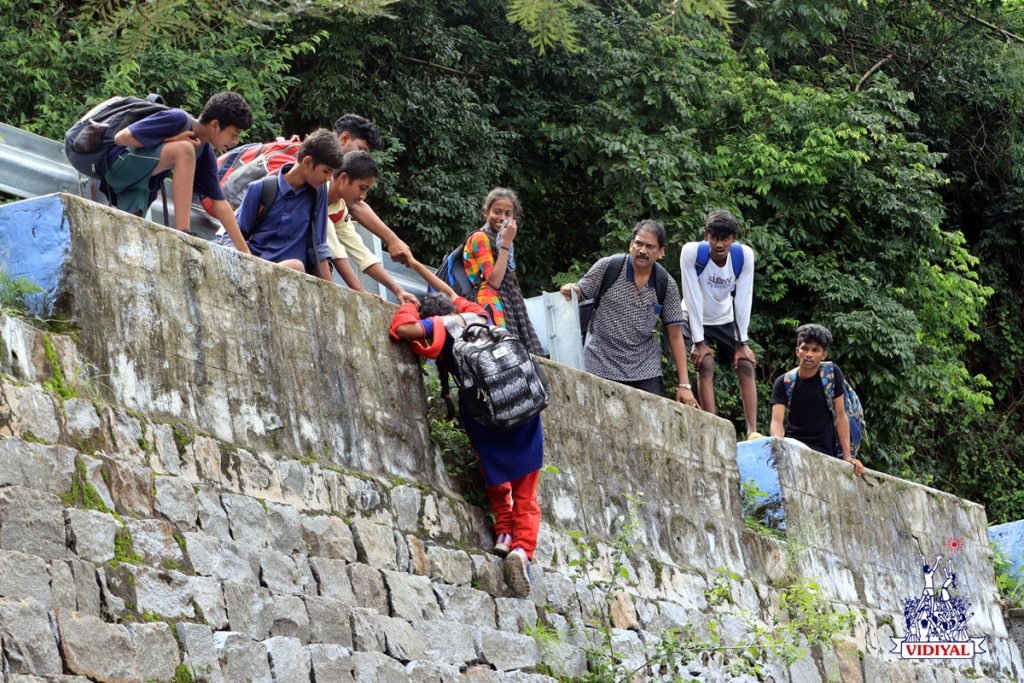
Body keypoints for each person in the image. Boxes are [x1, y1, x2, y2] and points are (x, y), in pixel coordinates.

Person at [390, 256, 543, 598]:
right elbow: (449, 292)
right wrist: (414, 264)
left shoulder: (439, 328)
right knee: (527, 490)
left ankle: (504, 535)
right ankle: (522, 550)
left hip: (485, 414)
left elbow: (403, 330)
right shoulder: (478, 313)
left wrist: (408, 305)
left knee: (496, 477)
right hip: (524, 402)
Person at [560, 220, 699, 407]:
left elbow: (675, 335)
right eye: (638, 243)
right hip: (600, 359)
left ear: (660, 252)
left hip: (644, 367)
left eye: (650, 246)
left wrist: (685, 384)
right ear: (630, 244)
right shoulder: (608, 267)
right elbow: (580, 293)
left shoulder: (666, 284)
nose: (643, 251)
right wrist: (571, 289)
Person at [106, 92, 253, 250]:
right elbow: (121, 138)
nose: (235, 142)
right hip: (118, 166)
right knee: (185, 149)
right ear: (215, 125)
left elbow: (220, 203)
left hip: (137, 188)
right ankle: (183, 233)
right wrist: (172, 140)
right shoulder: (178, 118)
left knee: (128, 243)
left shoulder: (205, 153)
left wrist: (246, 252)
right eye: (234, 134)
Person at [678, 209, 759, 438]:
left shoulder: (743, 256)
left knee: (746, 363)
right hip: (693, 316)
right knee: (705, 363)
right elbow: (692, 295)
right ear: (707, 236)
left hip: (724, 317)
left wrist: (742, 342)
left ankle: (752, 430)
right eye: (715, 238)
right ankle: (712, 426)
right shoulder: (692, 253)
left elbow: (744, 297)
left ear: (733, 239)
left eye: (725, 239)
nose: (720, 244)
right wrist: (698, 341)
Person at [227, 129, 342, 278]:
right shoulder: (260, 188)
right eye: (326, 171)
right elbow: (238, 233)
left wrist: (329, 289)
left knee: (297, 265)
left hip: (289, 271)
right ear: (307, 162)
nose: (328, 178)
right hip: (253, 263)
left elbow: (318, 247)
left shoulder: (318, 194)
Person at [769, 324, 864, 474]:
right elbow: (776, 421)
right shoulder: (784, 382)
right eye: (805, 348)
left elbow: (841, 415)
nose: (809, 354)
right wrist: (777, 448)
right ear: (797, 351)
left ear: (824, 355)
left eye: (815, 350)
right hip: (792, 444)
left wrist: (848, 457)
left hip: (824, 450)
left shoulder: (831, 374)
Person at [324, 151, 417, 303]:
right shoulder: (316, 193)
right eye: (362, 188)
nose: (363, 197)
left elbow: (360, 252)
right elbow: (335, 251)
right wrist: (360, 291)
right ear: (343, 178)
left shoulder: (339, 208)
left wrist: (398, 290)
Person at [462, 188, 544, 355]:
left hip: (510, 305)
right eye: (497, 212)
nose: (502, 218)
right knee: (503, 354)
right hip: (491, 306)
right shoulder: (481, 238)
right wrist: (506, 243)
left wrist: (506, 243)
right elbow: (494, 281)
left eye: (508, 214)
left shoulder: (501, 240)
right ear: (486, 211)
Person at [332, 114, 413, 266]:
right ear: (344, 138)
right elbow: (355, 206)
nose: (362, 156)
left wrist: (393, 240)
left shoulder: (338, 198)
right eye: (361, 149)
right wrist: (392, 240)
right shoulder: (317, 168)